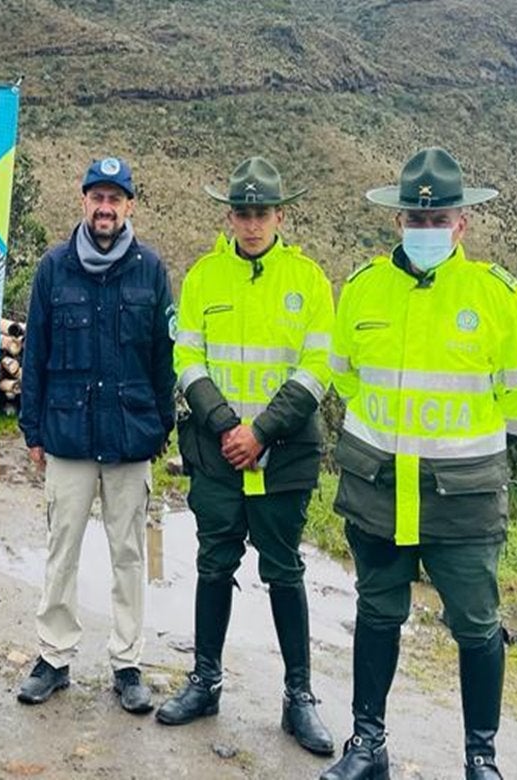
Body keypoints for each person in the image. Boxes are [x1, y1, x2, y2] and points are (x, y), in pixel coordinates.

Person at [320, 148, 517, 780]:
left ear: (461, 224)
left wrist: (461, 440)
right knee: (377, 611)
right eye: (416, 222)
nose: (427, 231)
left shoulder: (499, 297)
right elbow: (344, 377)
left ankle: (482, 758)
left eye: (438, 219)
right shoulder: (363, 288)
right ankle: (367, 744)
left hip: (463, 497)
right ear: (398, 223)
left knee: (476, 625)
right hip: (379, 489)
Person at [159, 157, 335, 755]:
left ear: (280, 215)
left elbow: (318, 370)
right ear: (229, 216)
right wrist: (227, 426)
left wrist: (260, 432)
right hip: (217, 453)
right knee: (213, 564)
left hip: (282, 456)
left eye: (262, 213)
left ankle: (299, 698)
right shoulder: (205, 276)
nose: (252, 223)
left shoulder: (309, 281)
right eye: (242, 212)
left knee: (284, 570)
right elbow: (188, 358)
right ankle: (205, 681)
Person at [16, 156, 175, 715]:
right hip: (67, 434)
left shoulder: (150, 271)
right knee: (61, 552)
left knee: (129, 555)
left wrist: (161, 426)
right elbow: (35, 352)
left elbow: (164, 358)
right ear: (82, 202)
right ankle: (53, 659)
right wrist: (31, 427)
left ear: (129, 206)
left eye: (115, 198)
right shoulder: (53, 268)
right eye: (96, 197)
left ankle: (127, 663)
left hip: (131, 436)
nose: (105, 208)